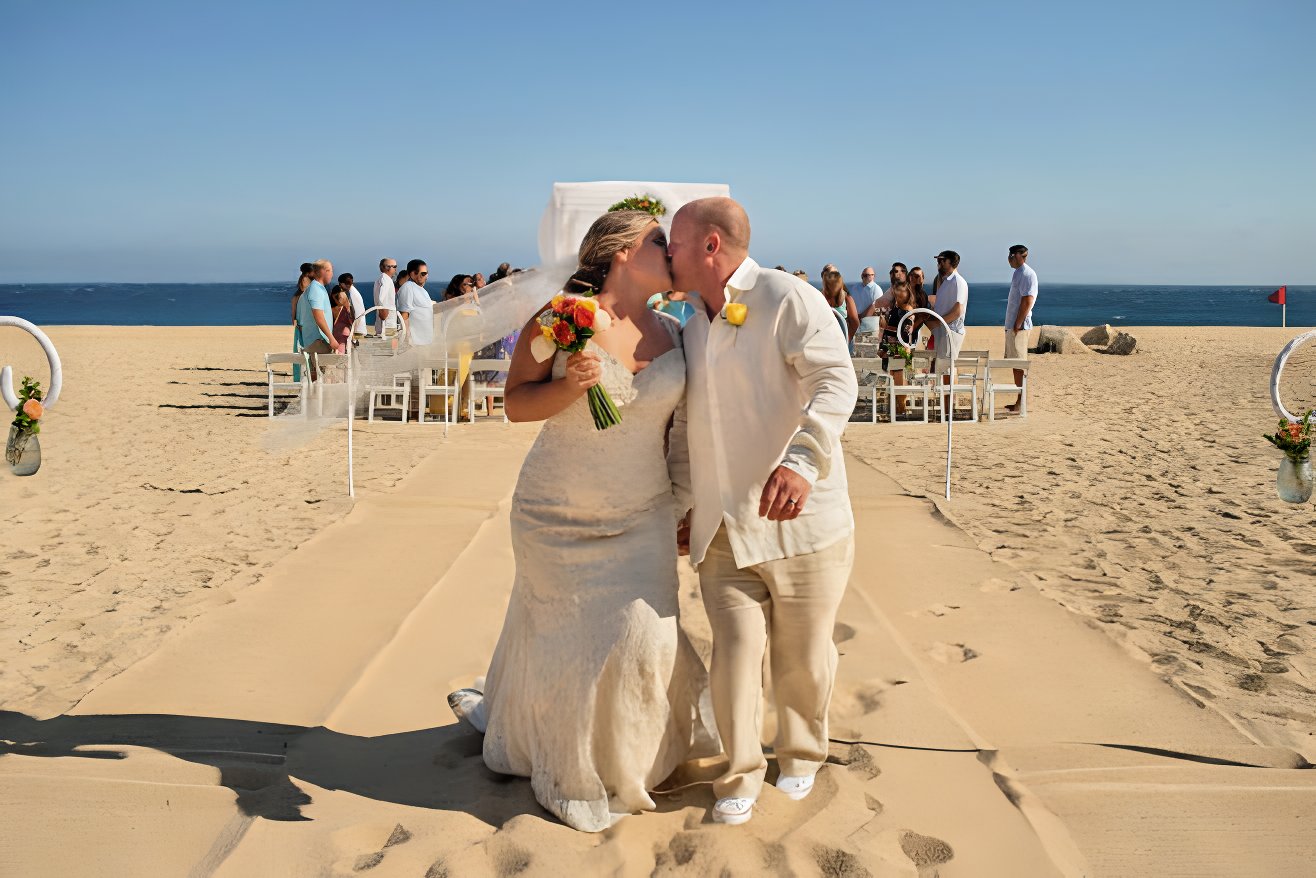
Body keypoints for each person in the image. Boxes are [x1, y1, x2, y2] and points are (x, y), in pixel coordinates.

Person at [447, 210, 716, 832]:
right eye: (658, 240)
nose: (670, 251)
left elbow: (680, 429)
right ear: (622, 252)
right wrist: (571, 389)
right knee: (570, 649)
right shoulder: (564, 318)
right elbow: (515, 405)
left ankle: (637, 758)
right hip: (555, 516)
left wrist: (686, 500)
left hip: (643, 512)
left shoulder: (677, 331)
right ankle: (571, 766)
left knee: (643, 640)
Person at [668, 197, 858, 826]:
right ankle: (741, 771)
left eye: (676, 241)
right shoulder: (690, 321)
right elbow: (691, 423)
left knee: (802, 657)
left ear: (711, 246)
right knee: (733, 652)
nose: (668, 252)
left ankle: (801, 757)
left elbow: (837, 381)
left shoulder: (789, 298)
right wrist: (688, 500)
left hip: (803, 525)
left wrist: (802, 463)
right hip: (724, 529)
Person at [915, 251, 969, 408]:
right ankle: (945, 406)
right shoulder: (944, 281)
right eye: (938, 260)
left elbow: (958, 310)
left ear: (951, 262)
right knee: (941, 368)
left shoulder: (958, 282)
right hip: (942, 330)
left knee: (946, 369)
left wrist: (940, 322)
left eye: (941, 260)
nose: (938, 263)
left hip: (950, 331)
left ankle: (948, 408)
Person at [296, 259, 344, 380]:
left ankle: (315, 397)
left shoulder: (318, 288)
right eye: (331, 271)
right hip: (318, 340)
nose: (333, 274)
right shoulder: (316, 289)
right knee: (319, 376)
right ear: (324, 271)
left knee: (318, 375)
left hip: (318, 340)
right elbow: (319, 317)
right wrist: (332, 338)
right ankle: (315, 398)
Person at [1004, 244, 1038, 412]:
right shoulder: (1018, 273)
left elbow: (1027, 300)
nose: (1008, 258)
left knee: (1018, 363)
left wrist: (1017, 324)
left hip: (1020, 326)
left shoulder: (1027, 274)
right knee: (1014, 363)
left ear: (1018, 255)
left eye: (1011, 255)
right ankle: (1019, 399)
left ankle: (1021, 401)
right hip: (1013, 325)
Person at [879, 280, 918, 416]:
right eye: (897, 290)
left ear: (908, 293)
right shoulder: (894, 307)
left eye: (903, 290)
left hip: (901, 348)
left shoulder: (907, 310)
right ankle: (895, 409)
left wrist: (886, 326)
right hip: (890, 347)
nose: (899, 293)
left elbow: (904, 332)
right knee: (892, 378)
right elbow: (887, 329)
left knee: (900, 379)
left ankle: (901, 409)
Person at [396, 259, 434, 346]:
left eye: (426, 273)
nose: (426, 276)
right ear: (413, 273)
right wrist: (407, 339)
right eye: (423, 273)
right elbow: (404, 314)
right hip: (414, 341)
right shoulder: (408, 287)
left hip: (425, 340)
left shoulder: (422, 290)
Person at [820, 267, 859, 345]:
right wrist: (848, 338)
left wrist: (848, 338)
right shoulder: (847, 298)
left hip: (827, 338)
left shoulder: (820, 297)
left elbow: (855, 322)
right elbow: (855, 322)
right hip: (840, 337)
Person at [291, 263, 313, 381]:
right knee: (304, 348)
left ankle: (301, 377)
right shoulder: (306, 282)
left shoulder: (298, 295)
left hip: (302, 321)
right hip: (304, 323)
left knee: (300, 348)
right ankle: (303, 377)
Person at [853, 266, 882, 335]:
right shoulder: (855, 287)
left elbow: (875, 307)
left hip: (871, 324)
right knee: (858, 345)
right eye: (865, 275)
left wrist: (861, 318)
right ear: (861, 276)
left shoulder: (877, 289)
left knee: (870, 344)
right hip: (856, 324)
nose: (867, 277)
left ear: (873, 276)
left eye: (870, 275)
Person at [374, 259, 398, 336]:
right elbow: (382, 296)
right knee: (391, 342)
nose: (395, 269)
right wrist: (383, 310)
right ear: (386, 268)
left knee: (388, 340)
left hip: (386, 317)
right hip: (387, 317)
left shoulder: (383, 278)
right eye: (394, 266)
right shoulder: (385, 278)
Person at [337, 272, 366, 337]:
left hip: (356, 330)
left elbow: (352, 311)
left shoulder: (350, 293)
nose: (339, 286)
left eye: (340, 284)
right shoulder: (353, 291)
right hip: (359, 327)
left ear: (342, 283)